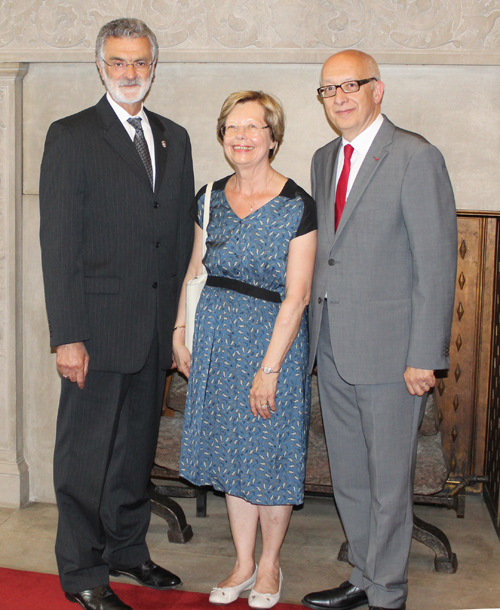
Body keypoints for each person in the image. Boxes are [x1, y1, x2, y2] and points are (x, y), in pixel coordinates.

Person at [39, 18, 194, 610]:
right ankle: (82, 572)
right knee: (84, 458)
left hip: (153, 328)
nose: (131, 74)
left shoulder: (173, 138)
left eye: (141, 63)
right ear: (100, 67)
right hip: (95, 333)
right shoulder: (72, 135)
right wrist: (68, 336)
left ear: (154, 67)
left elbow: (180, 236)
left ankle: (128, 552)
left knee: (134, 453)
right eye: (119, 63)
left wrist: (179, 323)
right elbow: (60, 244)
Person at [302, 51, 457, 610]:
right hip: (334, 349)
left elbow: (437, 264)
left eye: (351, 85)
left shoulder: (416, 156)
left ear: (378, 89)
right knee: (350, 479)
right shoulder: (324, 158)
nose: (340, 97)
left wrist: (425, 355)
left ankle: (388, 593)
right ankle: (362, 579)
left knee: (389, 484)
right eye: (328, 89)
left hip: (394, 356)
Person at [172, 91, 317, 608]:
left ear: (273, 138)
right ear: (223, 135)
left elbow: (297, 295)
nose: (242, 136)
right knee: (234, 454)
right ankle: (242, 561)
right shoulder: (208, 197)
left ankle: (271, 563)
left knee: (270, 455)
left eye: (254, 127)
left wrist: (270, 369)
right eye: (233, 127)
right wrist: (179, 331)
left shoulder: (297, 204)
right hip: (215, 337)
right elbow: (195, 269)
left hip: (270, 341)